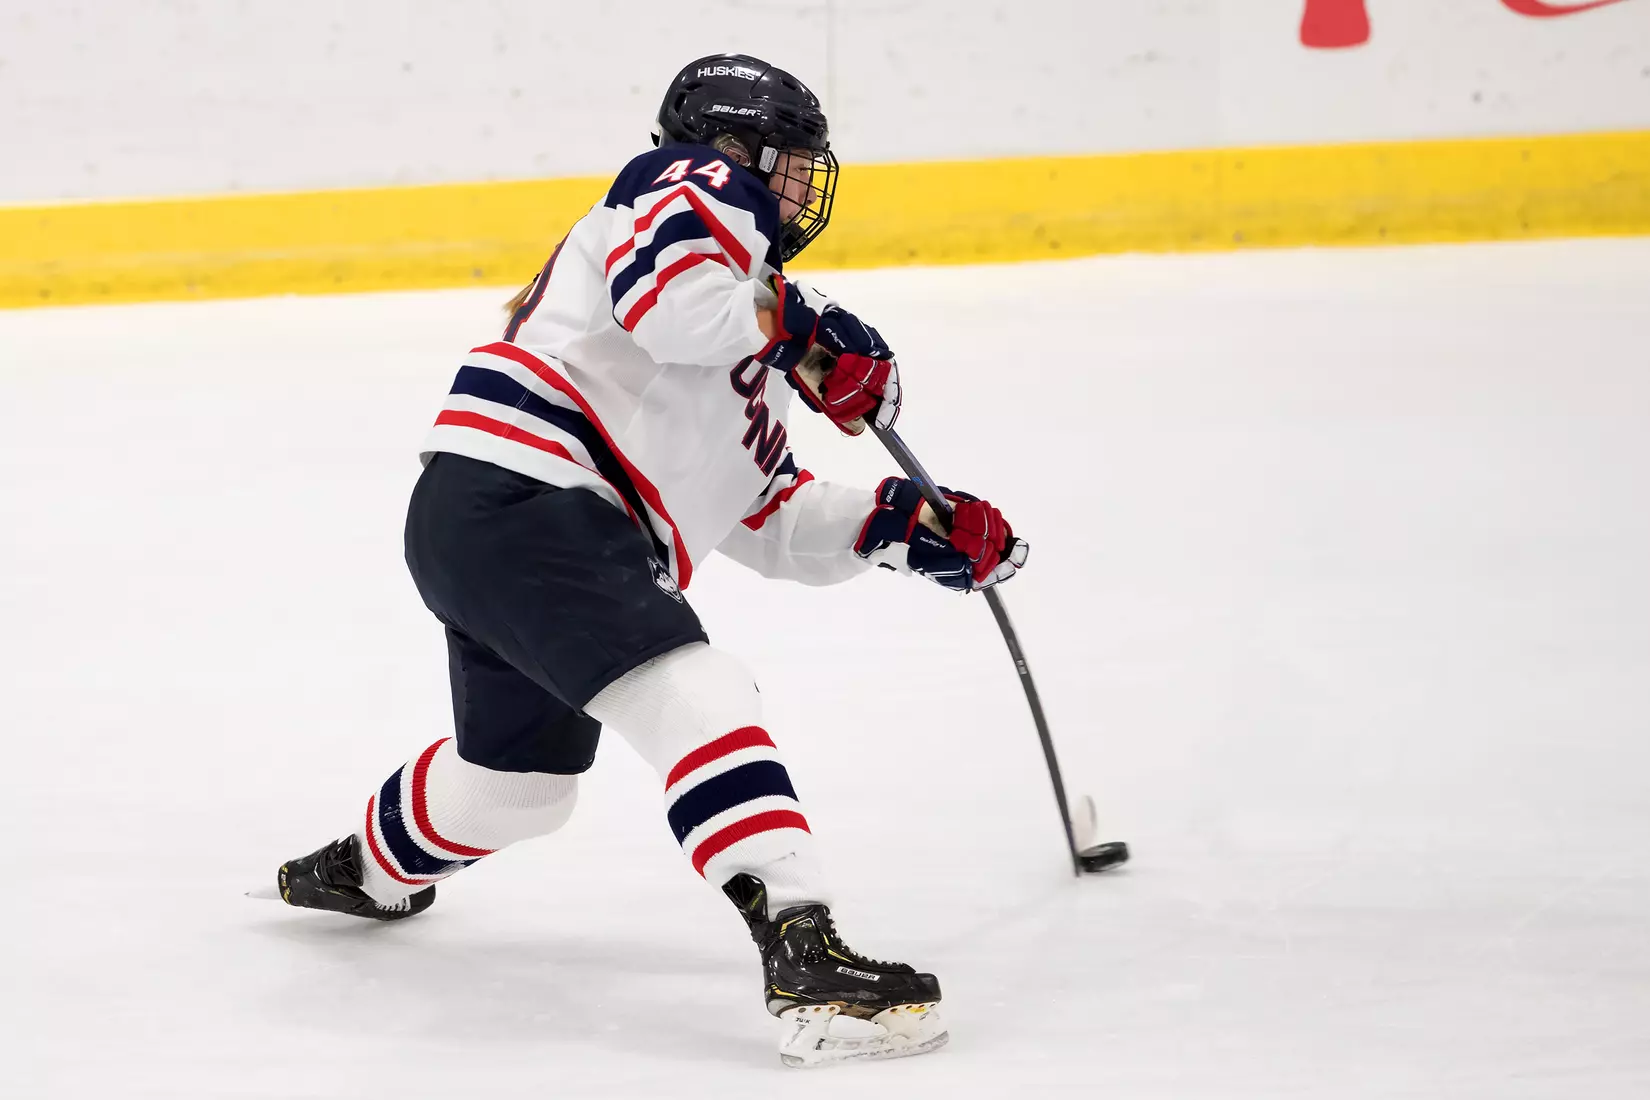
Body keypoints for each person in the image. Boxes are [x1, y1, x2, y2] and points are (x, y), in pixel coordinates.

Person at [273, 53, 1028, 1067]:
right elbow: (678, 310)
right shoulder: (686, 186)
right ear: (730, 151)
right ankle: (806, 957)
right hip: (531, 496)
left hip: (495, 518)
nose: (800, 186)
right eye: (786, 162)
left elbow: (764, 516)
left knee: (520, 787)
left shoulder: (738, 325)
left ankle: (363, 867)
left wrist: (896, 524)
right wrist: (798, 330)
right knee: (700, 690)